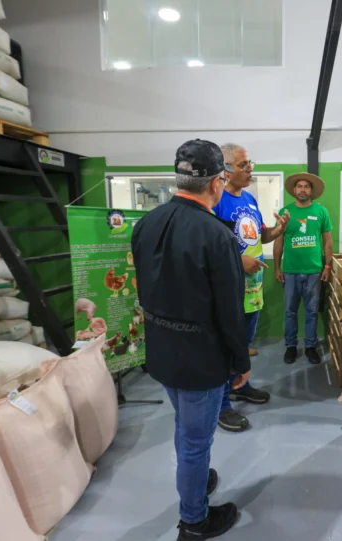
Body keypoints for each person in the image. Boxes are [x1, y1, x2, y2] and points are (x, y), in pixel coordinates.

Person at [131, 139, 250, 540]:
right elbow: (231, 312)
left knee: (185, 426)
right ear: (217, 182)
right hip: (202, 359)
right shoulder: (217, 236)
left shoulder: (146, 224)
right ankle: (194, 521)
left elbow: (142, 288)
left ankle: (194, 480)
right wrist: (241, 362)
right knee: (195, 441)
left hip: (162, 353)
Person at [211, 143, 290, 433]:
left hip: (253, 285)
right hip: (229, 286)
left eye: (250, 163)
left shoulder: (249, 199)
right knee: (225, 347)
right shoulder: (216, 201)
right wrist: (237, 260)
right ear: (225, 170)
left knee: (242, 344)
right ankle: (221, 407)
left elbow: (260, 236)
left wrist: (279, 229)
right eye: (243, 165)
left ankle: (239, 385)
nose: (250, 169)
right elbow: (210, 249)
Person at [273, 173, 334, 364]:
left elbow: (328, 241)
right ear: (294, 190)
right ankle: (291, 346)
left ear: (312, 191)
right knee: (290, 311)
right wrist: (277, 267)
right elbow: (279, 240)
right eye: (299, 186)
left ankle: (310, 347)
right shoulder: (285, 212)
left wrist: (327, 265)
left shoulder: (321, 211)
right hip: (290, 271)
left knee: (312, 311)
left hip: (314, 272)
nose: (302, 189)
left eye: (306, 187)